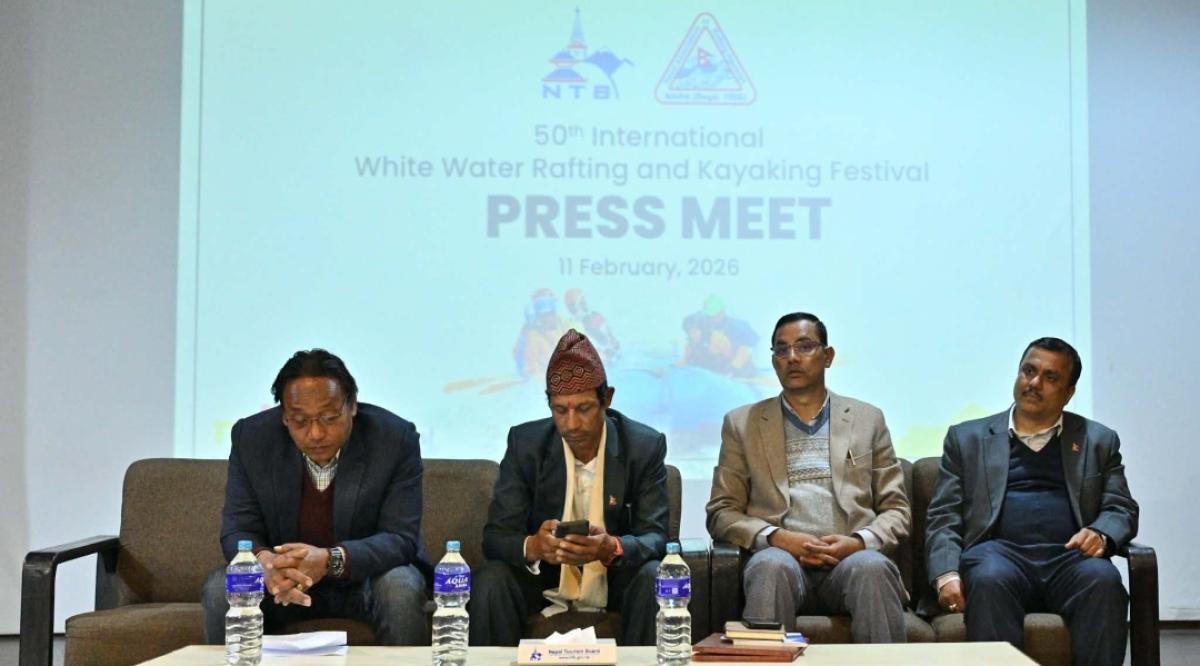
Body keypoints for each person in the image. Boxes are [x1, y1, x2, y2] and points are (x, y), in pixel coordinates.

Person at [925, 337, 1138, 666]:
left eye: (1050, 377)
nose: (1034, 383)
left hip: (1071, 558)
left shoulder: (1098, 440)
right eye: (1028, 371)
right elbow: (944, 515)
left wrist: (1101, 533)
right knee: (989, 578)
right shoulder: (967, 438)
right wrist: (946, 574)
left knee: (1104, 581)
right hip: (998, 554)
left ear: (1069, 393)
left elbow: (1121, 507)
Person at [201, 349, 430, 645]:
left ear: (352, 406)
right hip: (281, 581)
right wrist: (265, 562)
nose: (316, 433)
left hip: (364, 580)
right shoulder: (252, 438)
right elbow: (237, 530)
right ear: (284, 416)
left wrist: (328, 560)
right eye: (300, 420)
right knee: (222, 587)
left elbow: (401, 538)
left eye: (329, 417)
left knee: (400, 587)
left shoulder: (393, 438)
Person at [706, 312, 910, 642]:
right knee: (770, 567)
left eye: (804, 346)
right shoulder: (742, 423)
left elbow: (897, 511)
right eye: (781, 349)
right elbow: (721, 512)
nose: (792, 357)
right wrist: (778, 537)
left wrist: (857, 543)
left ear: (828, 356)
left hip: (852, 559)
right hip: (781, 558)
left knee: (872, 567)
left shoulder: (867, 419)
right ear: (773, 360)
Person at [470, 329, 668, 646]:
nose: (571, 424)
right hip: (543, 583)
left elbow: (656, 538)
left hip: (616, 584)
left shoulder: (643, 446)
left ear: (607, 399)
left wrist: (611, 548)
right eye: (560, 410)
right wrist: (534, 547)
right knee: (491, 579)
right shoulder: (526, 444)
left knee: (655, 576)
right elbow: (495, 538)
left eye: (584, 408)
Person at [678, 294, 759, 377]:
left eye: (714, 316)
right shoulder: (704, 325)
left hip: (737, 365)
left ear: (722, 313)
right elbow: (692, 344)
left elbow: (746, 348)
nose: (712, 319)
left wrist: (734, 368)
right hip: (716, 364)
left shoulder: (736, 326)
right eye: (709, 316)